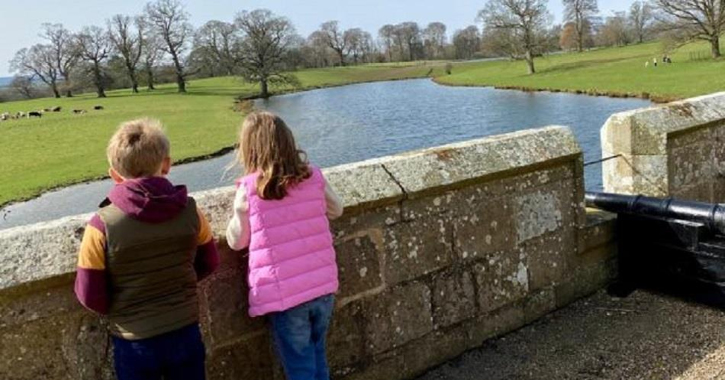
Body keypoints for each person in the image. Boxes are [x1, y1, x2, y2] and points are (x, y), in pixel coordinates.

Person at [74, 118, 219, 380]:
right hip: (185, 330)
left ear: (115, 174)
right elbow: (209, 262)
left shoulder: (100, 226)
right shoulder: (191, 211)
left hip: (134, 341)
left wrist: (126, 306)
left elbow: (89, 294)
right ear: (166, 164)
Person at [226, 111, 343, 380]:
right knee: (317, 356)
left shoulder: (250, 190)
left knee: (300, 366)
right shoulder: (312, 176)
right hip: (323, 286)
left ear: (248, 149)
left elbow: (236, 241)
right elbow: (337, 209)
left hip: (286, 298)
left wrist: (239, 212)